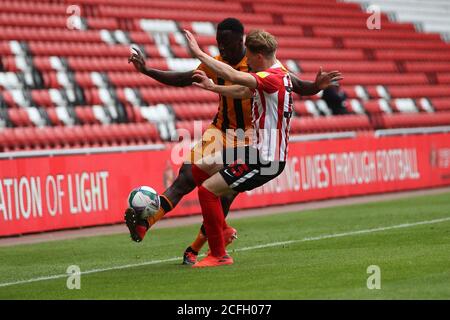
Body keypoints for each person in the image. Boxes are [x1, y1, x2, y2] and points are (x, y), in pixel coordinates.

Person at [125, 18, 343, 265]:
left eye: (226, 43)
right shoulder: (218, 63)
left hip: (251, 137)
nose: (222, 48)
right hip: (221, 130)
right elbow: (185, 78)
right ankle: (147, 222)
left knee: (221, 192)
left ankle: (200, 248)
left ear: (241, 42)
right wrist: (147, 71)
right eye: (218, 43)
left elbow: (298, 85)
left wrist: (316, 86)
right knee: (188, 174)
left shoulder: (260, 66)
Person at [183, 28, 342, 267]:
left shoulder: (272, 78)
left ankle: (219, 255)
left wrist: (198, 53)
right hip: (255, 150)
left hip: (265, 161)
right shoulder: (280, 73)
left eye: (248, 57)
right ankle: (221, 229)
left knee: (207, 191)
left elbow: (235, 77)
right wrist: (212, 87)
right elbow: (243, 90)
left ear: (258, 57)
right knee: (200, 168)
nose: (246, 62)